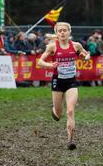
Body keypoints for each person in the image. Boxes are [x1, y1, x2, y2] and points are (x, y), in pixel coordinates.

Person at [37, 22, 90, 150]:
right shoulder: (52, 47)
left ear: (69, 32)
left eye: (64, 30)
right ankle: (55, 109)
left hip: (71, 82)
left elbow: (86, 54)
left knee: (70, 111)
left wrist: (86, 57)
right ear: (56, 33)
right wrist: (50, 66)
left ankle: (70, 140)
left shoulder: (76, 45)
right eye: (59, 31)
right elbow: (40, 62)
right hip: (57, 82)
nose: (62, 33)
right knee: (59, 115)